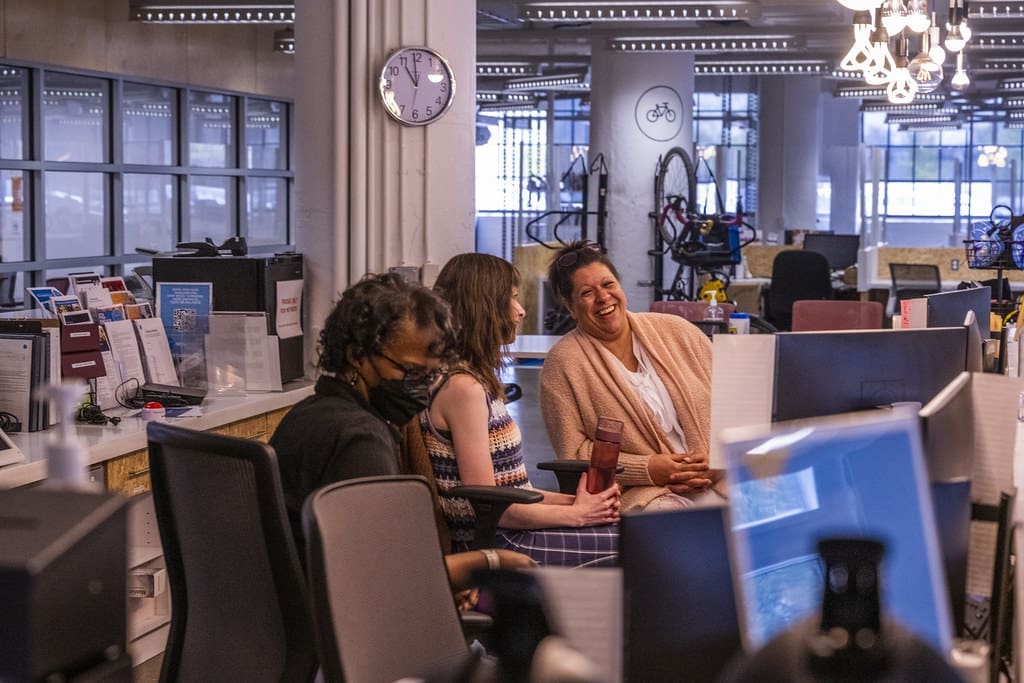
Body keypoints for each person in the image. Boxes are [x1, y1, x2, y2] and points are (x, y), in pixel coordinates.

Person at [270, 272, 535, 594]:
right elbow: (384, 576)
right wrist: (487, 562)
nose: (421, 387)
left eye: (432, 374)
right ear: (357, 356)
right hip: (342, 625)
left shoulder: (309, 413)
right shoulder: (359, 439)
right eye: (411, 372)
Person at [424, 253, 620, 568]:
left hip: (512, 530)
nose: (521, 310)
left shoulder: (472, 380)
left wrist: (580, 502)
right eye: (512, 300)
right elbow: (489, 505)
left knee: (635, 528)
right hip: (502, 542)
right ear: (484, 308)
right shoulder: (463, 389)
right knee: (645, 547)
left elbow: (515, 492)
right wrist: (577, 514)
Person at [539, 240, 721, 511]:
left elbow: (734, 406)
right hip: (643, 494)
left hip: (719, 479)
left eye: (609, 285)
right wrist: (648, 469)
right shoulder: (563, 365)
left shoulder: (678, 332)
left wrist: (717, 464)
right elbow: (574, 454)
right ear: (569, 305)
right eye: (587, 292)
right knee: (681, 527)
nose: (603, 298)